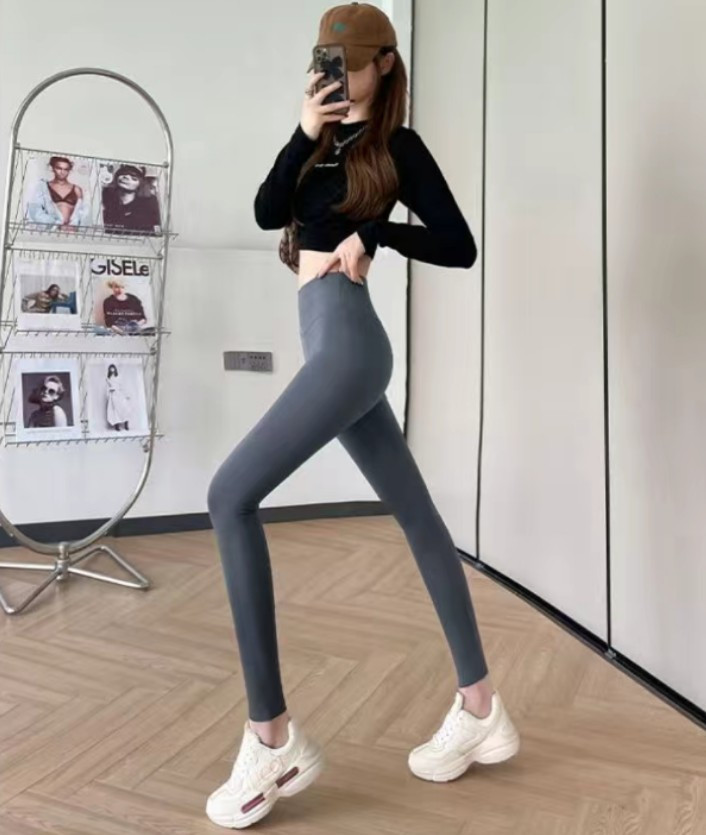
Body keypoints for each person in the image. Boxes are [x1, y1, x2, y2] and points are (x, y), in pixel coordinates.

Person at [205, 4, 520, 828]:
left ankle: (272, 737)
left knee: (228, 496)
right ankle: (481, 707)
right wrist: (302, 129)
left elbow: (459, 243)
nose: (339, 75)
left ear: (385, 64)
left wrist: (378, 233)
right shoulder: (314, 143)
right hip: (328, 343)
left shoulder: (398, 148)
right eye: (328, 62)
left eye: (352, 63)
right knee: (418, 516)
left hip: (348, 344)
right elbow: (267, 211)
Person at [26, 156, 90, 228]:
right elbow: (35, 211)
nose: (62, 172)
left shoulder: (77, 189)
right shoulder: (44, 187)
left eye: (66, 169)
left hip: (72, 231)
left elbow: (83, 212)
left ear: (69, 170)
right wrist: (55, 225)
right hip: (51, 230)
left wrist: (75, 226)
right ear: (53, 168)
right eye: (59, 168)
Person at [101, 164, 162, 234]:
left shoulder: (149, 205)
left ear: (140, 184)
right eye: (123, 173)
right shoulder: (104, 199)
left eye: (134, 178)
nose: (126, 177)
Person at [105, 364, 131, 431]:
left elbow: (122, 386)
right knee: (115, 411)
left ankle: (126, 424)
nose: (112, 370)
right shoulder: (108, 378)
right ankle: (117, 426)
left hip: (120, 395)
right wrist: (110, 390)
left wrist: (126, 394)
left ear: (115, 369)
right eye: (111, 369)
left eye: (113, 368)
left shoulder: (119, 377)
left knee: (124, 409)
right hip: (113, 395)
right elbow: (107, 388)